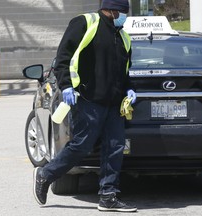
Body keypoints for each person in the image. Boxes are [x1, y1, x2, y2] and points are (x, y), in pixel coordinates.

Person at [33, 0, 137, 212]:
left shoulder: (123, 36)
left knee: (115, 148)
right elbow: (63, 57)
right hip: (88, 99)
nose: (125, 16)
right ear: (110, 10)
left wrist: (129, 88)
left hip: (114, 103)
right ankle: (45, 175)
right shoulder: (85, 23)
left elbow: (124, 70)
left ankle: (108, 196)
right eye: (122, 12)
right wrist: (66, 86)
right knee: (82, 145)